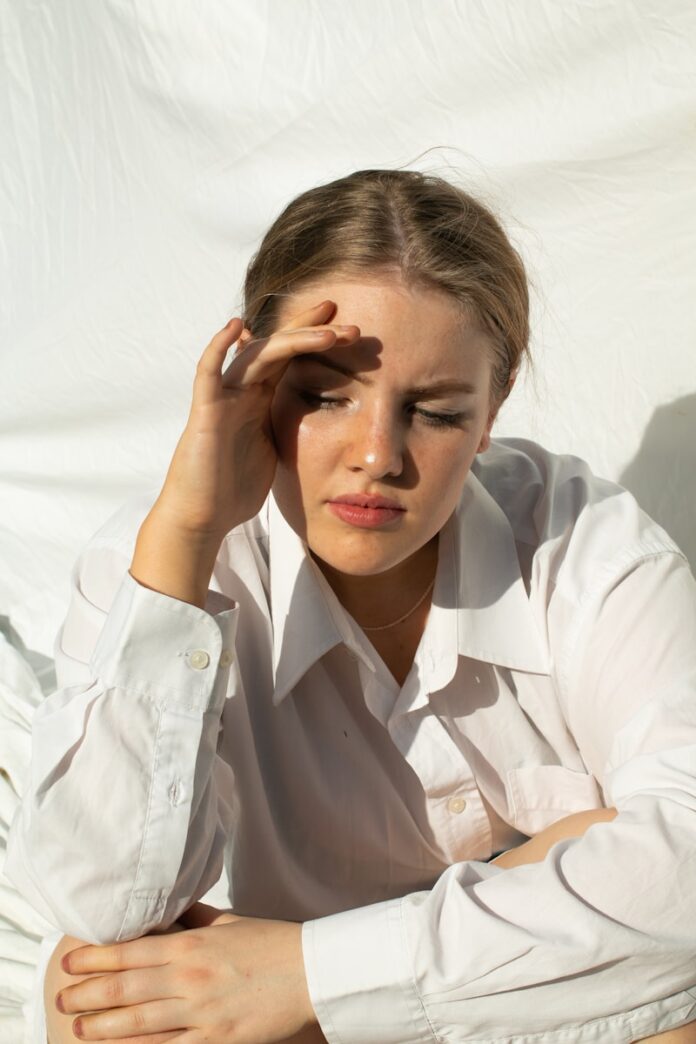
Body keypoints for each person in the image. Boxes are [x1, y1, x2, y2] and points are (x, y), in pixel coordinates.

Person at [6, 168, 696, 1043]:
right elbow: (102, 904)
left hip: (347, 1014)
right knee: (92, 995)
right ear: (256, 379)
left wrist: (308, 978)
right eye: (325, 396)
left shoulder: (584, 545)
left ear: (494, 408)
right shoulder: (159, 563)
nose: (377, 455)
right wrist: (184, 533)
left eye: (435, 412)